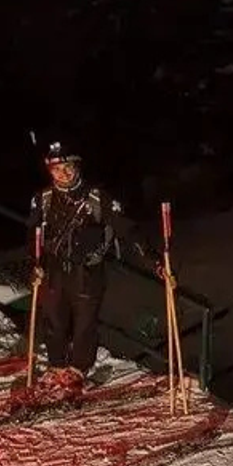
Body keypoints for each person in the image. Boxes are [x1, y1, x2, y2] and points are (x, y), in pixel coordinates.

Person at [27, 142, 140, 387]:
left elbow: (128, 231)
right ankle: (56, 364)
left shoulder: (98, 198)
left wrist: (156, 261)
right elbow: (32, 235)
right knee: (53, 321)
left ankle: (79, 368)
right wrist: (34, 263)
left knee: (85, 325)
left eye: (67, 167)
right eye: (57, 170)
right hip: (53, 270)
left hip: (87, 272)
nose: (63, 174)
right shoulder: (43, 199)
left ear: (77, 167)